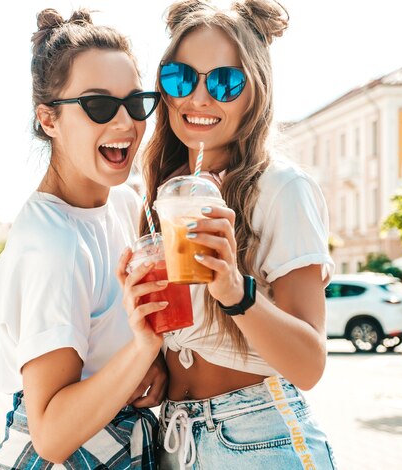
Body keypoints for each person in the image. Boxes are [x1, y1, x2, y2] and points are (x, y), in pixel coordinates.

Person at [140, 0, 338, 468]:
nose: (200, 98)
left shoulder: (281, 188)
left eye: (226, 82)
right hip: (174, 439)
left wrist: (235, 291)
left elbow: (309, 366)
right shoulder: (160, 191)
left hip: (260, 437)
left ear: (256, 91)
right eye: (180, 78)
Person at [0, 8, 168, 469]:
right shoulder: (52, 245)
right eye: (99, 105)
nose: (125, 123)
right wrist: (145, 350)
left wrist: (148, 369)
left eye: (136, 102)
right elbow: (51, 434)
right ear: (48, 119)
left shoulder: (126, 203)